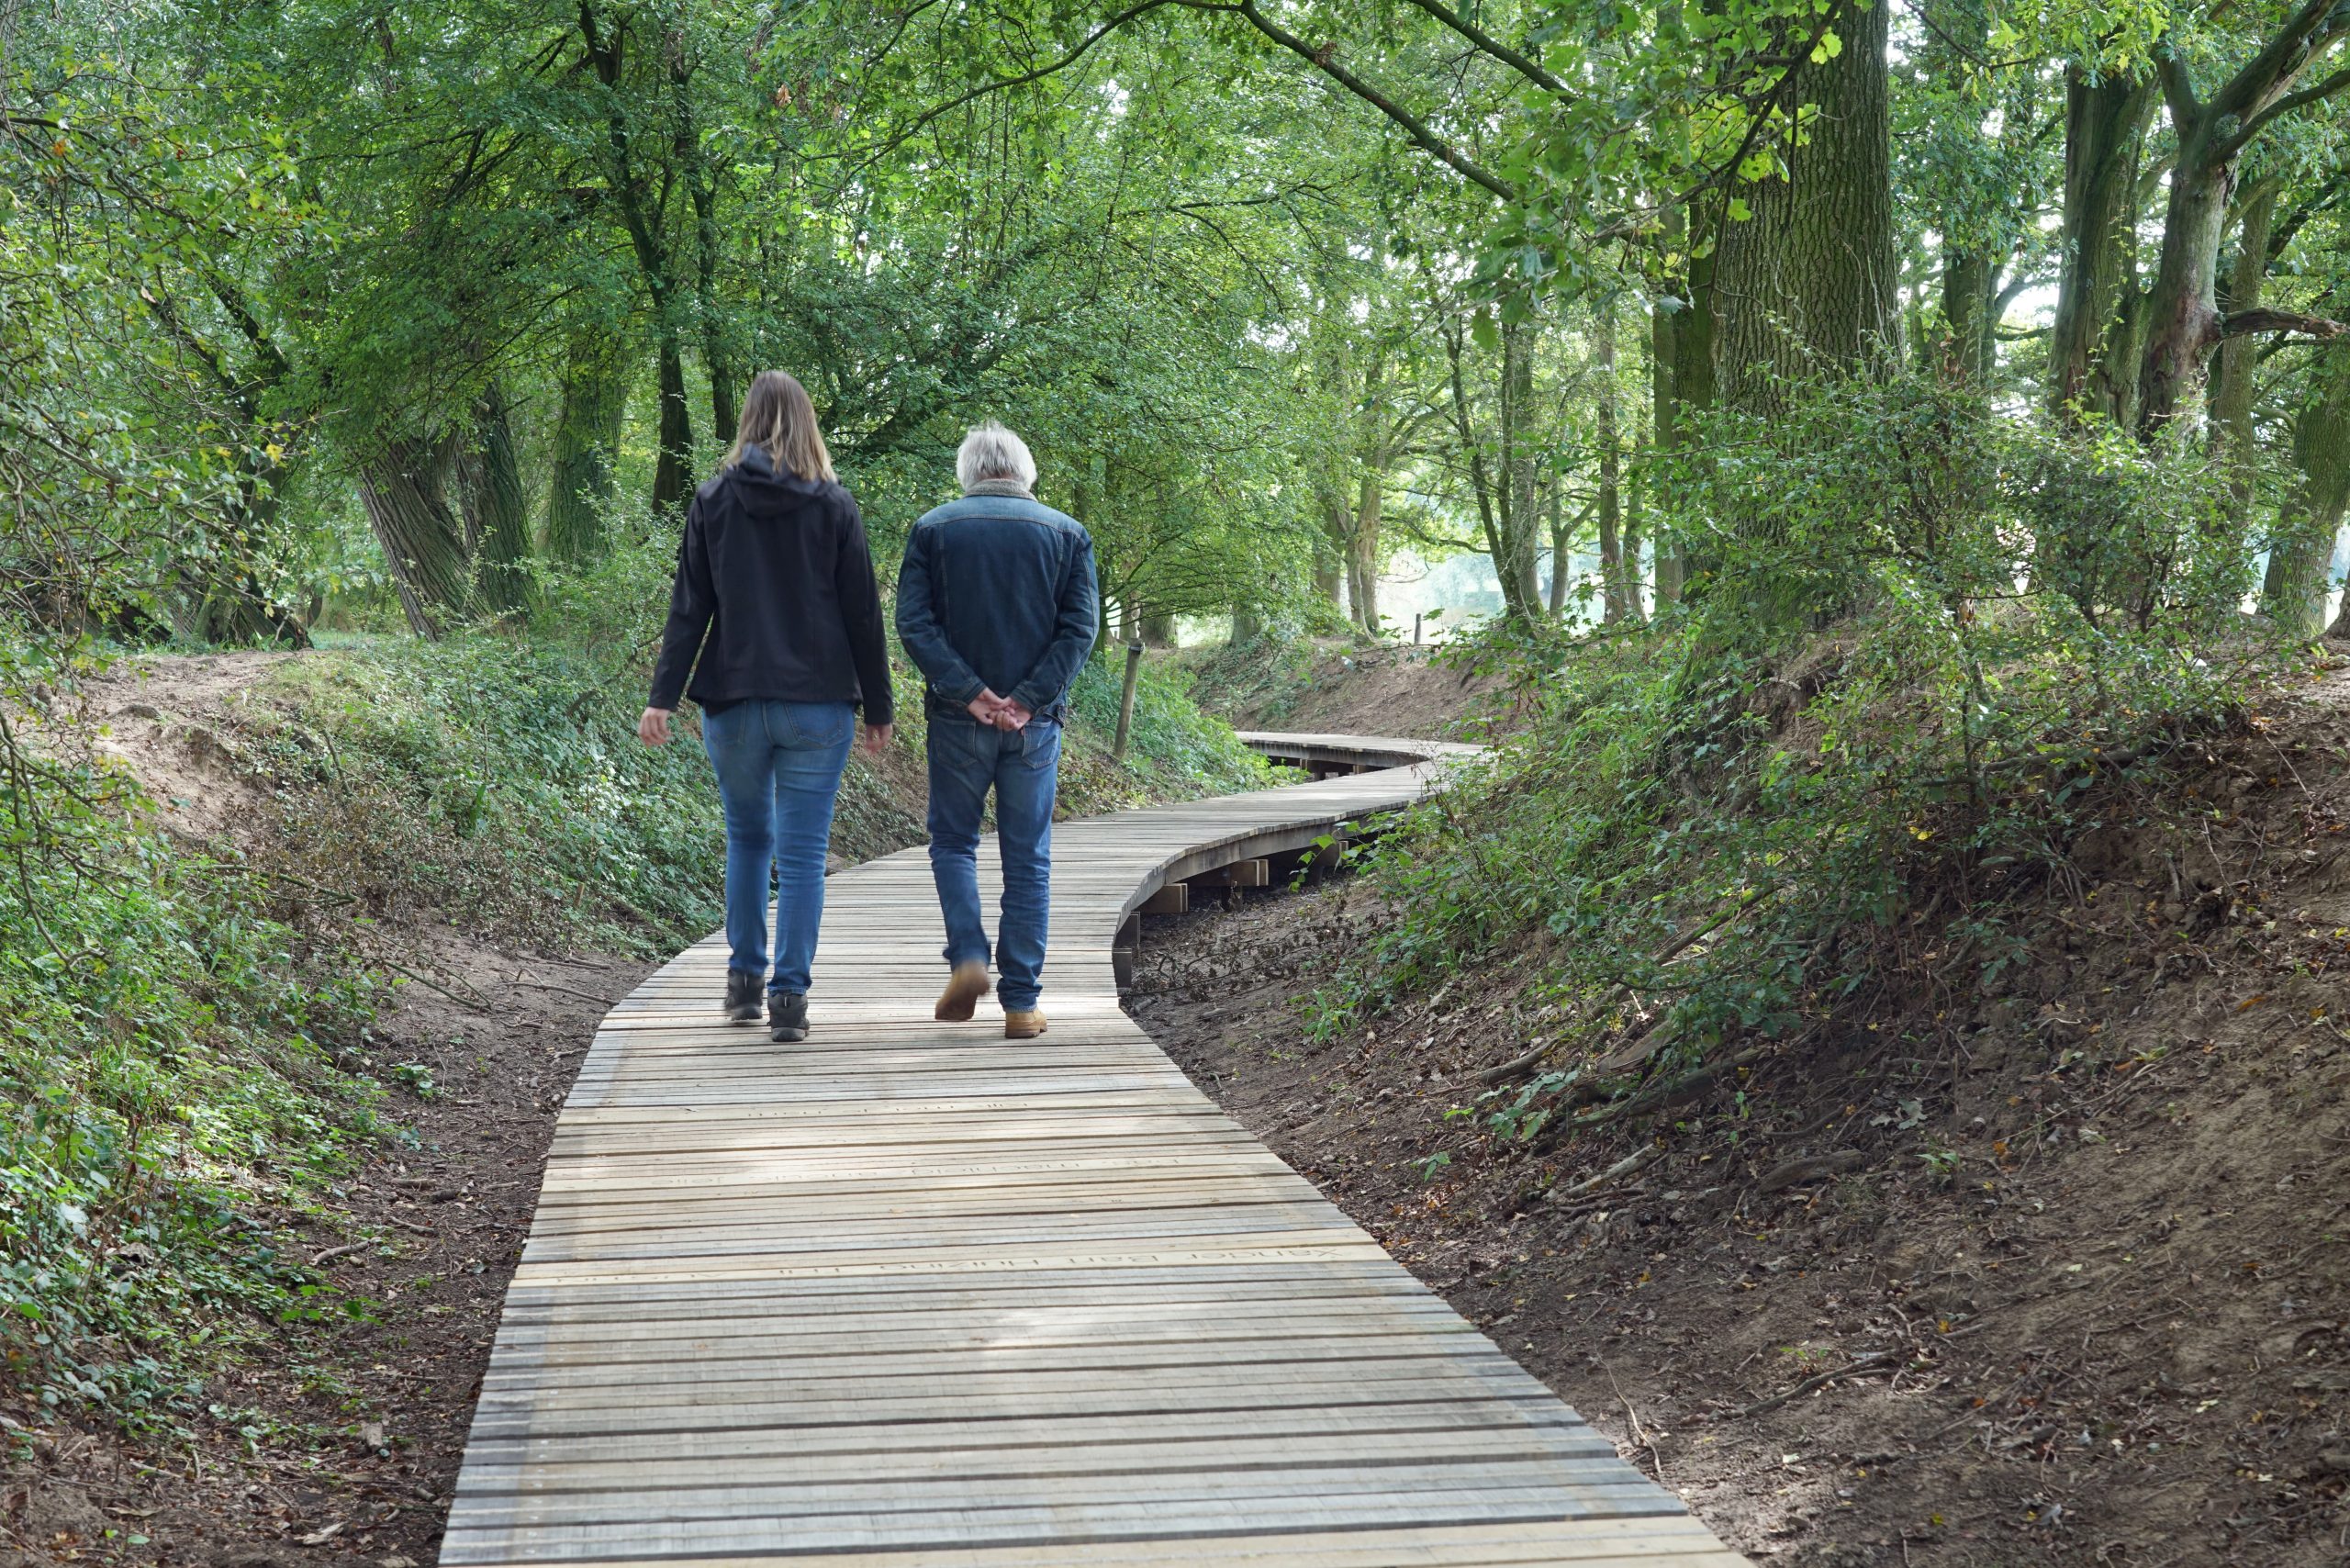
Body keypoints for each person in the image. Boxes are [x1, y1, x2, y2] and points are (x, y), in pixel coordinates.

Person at [637, 371, 893, 1044]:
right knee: (804, 857)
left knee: (748, 840)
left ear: (747, 421)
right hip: (817, 705)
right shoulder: (834, 505)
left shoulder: (713, 500)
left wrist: (662, 698)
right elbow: (862, 613)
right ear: (808, 423)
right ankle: (789, 999)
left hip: (733, 702)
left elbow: (689, 607)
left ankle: (744, 984)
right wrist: (879, 706)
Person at [896, 421, 1098, 1038]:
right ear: (1024, 470)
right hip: (1034, 727)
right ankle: (1021, 1004)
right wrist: (1029, 700)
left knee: (954, 843)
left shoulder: (934, 529)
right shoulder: (1067, 534)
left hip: (958, 720)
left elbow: (914, 624)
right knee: (1027, 858)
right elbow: (1079, 629)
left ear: (969, 472)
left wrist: (969, 691)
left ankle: (967, 957)